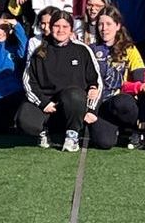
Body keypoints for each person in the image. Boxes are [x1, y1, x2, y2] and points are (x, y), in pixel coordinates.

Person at [19, 12, 101, 152]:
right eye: (56, 26)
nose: (60, 30)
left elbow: (95, 81)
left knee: (74, 95)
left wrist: (92, 107)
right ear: (51, 28)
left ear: (71, 29)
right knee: (24, 118)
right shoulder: (39, 53)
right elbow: (29, 82)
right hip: (48, 106)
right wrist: (43, 103)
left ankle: (72, 135)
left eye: (65, 26)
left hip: (73, 106)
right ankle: (44, 132)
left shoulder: (82, 50)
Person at [82, 10, 145, 150]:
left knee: (122, 103)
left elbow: (140, 80)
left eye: (108, 24)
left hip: (121, 100)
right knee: (104, 142)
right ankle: (114, 129)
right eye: (100, 24)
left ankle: (134, 129)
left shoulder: (129, 49)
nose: (104, 28)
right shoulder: (91, 49)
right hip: (101, 105)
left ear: (117, 26)